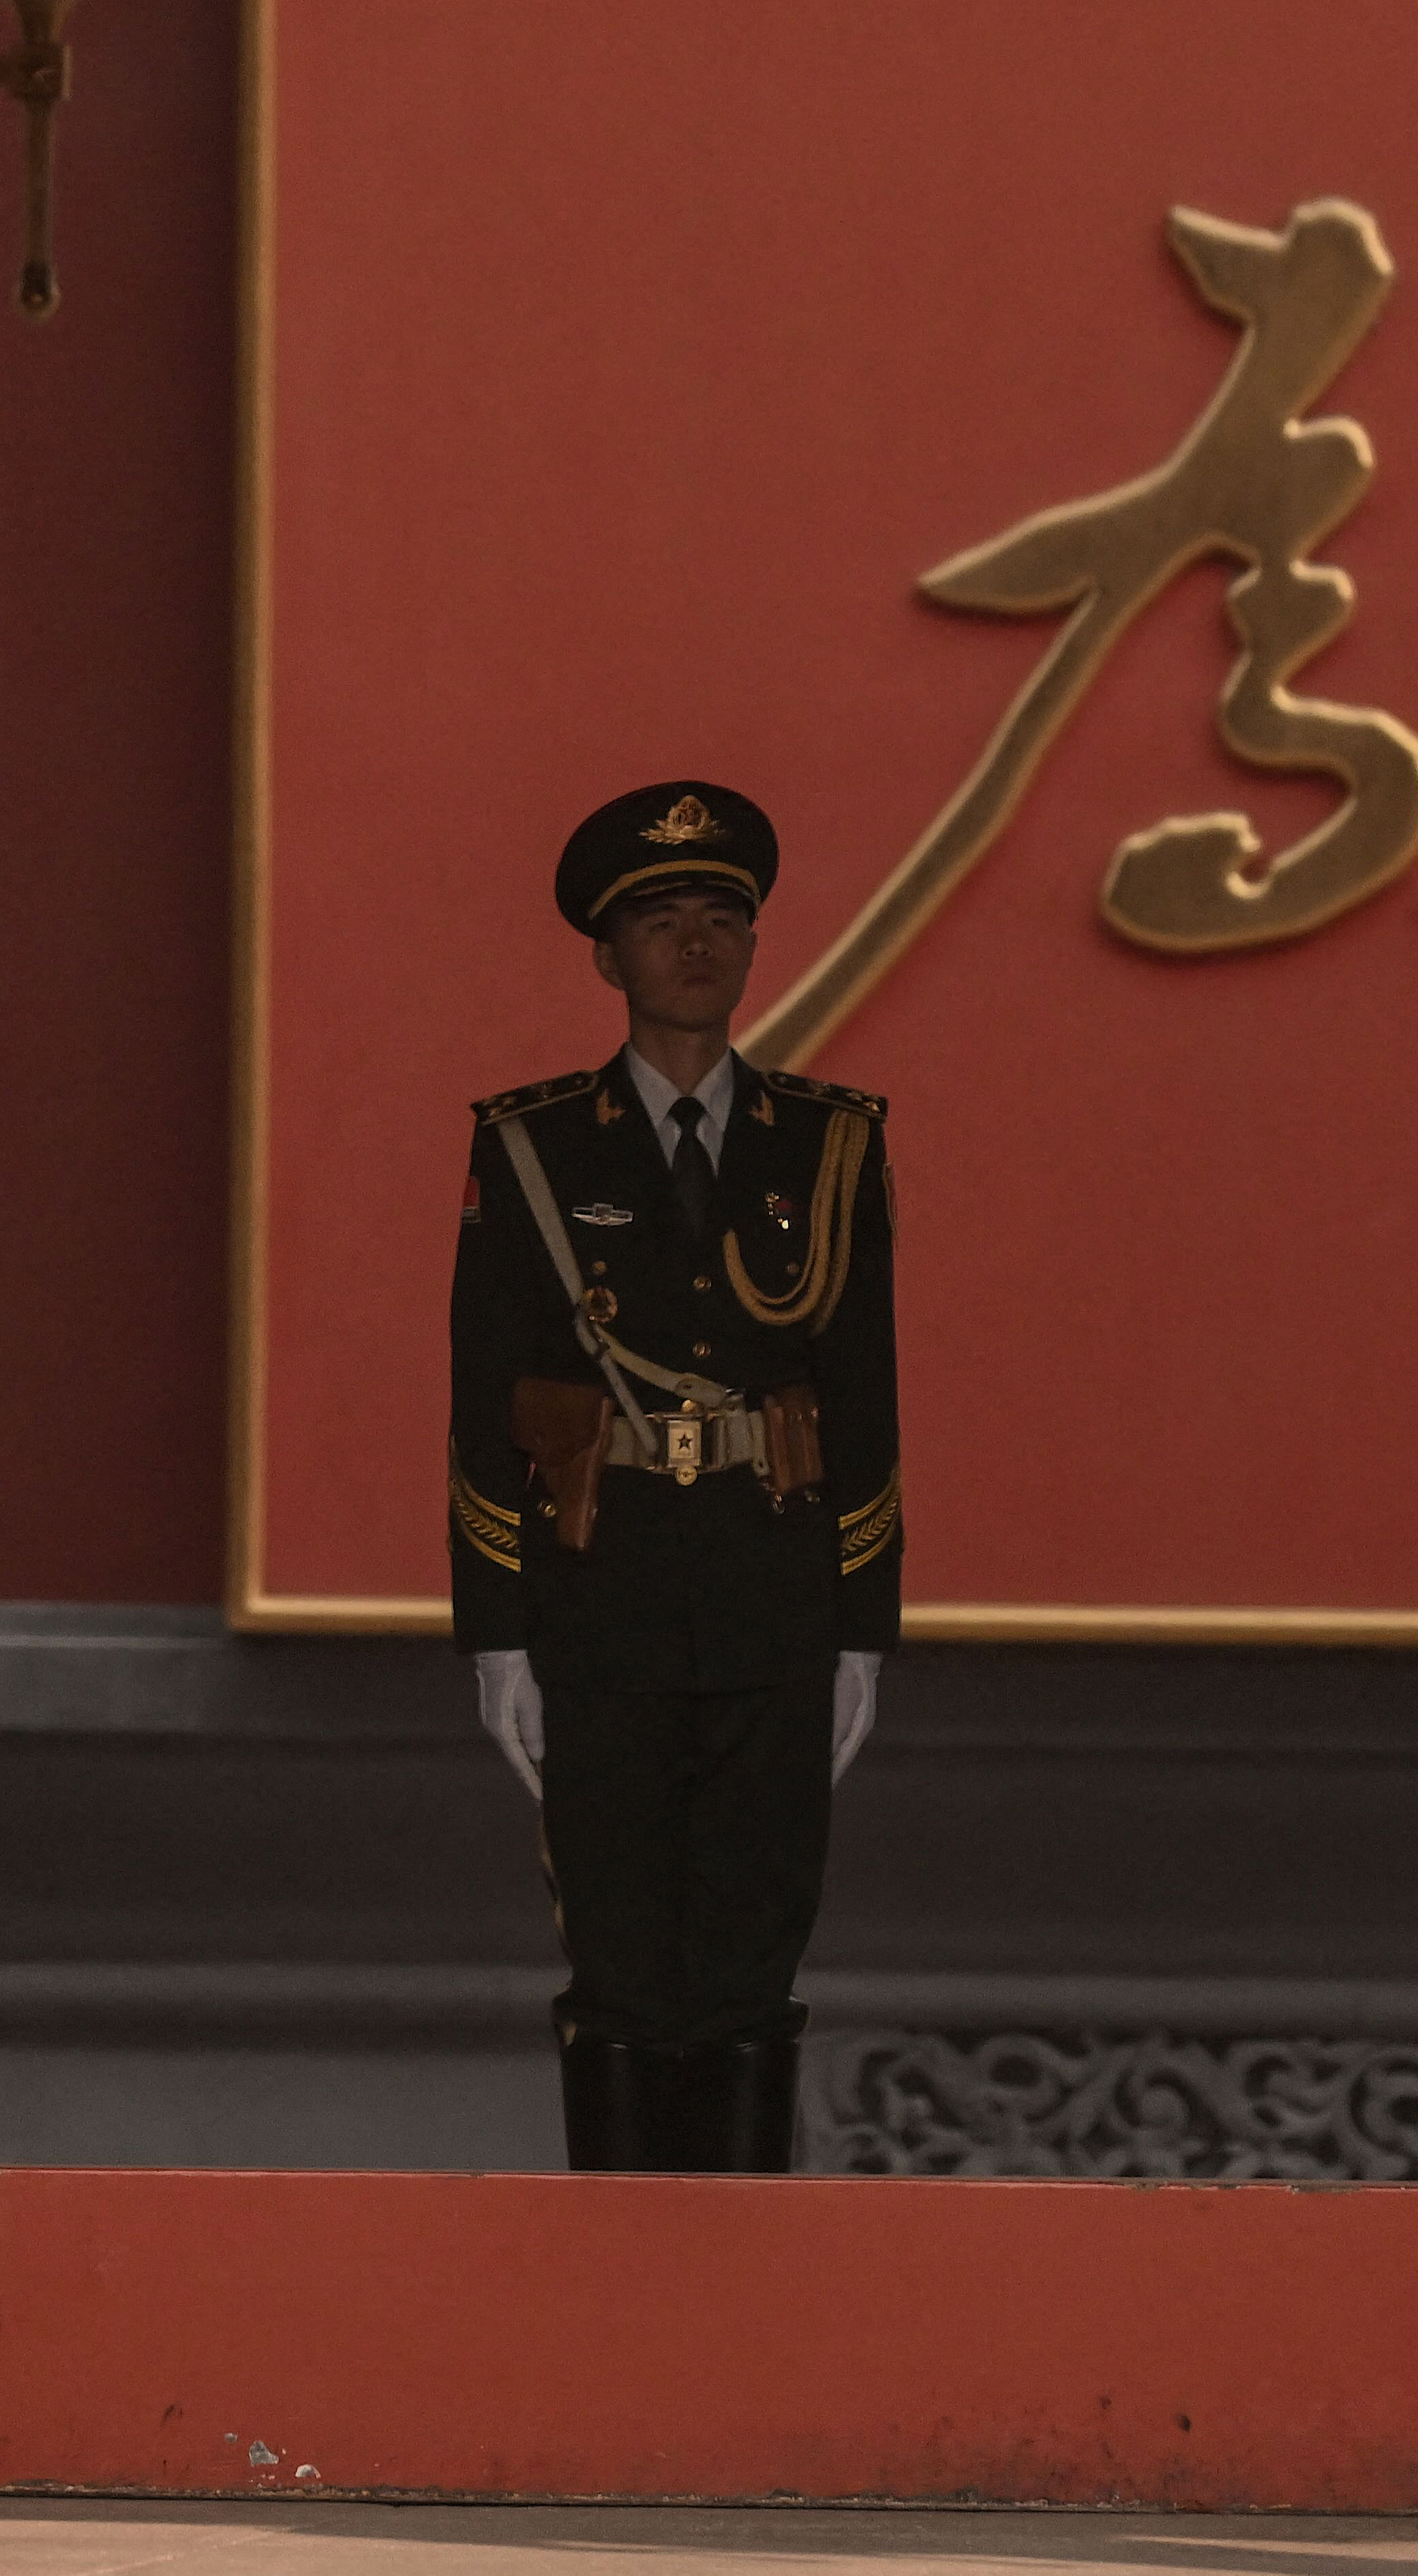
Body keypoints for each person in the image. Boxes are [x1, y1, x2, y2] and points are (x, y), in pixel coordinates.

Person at [444, 781, 903, 2173]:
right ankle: (621, 2295)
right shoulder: (530, 1144)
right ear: (606, 953)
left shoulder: (830, 1142)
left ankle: (745, 2292)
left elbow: (865, 1387)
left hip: (772, 1569)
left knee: (756, 1939)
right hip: (606, 1575)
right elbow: (485, 1391)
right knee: (625, 1940)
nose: (694, 941)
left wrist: (862, 1626)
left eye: (722, 913)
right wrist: (499, 1628)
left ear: (756, 942)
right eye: (659, 916)